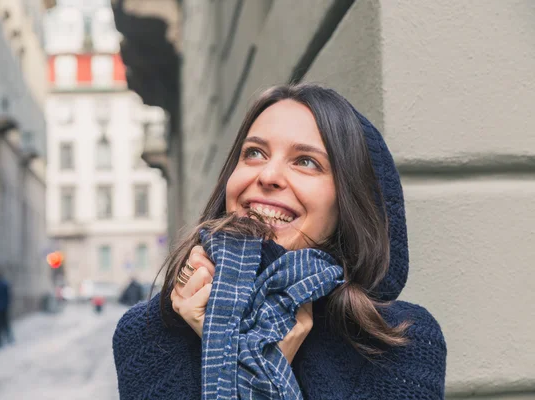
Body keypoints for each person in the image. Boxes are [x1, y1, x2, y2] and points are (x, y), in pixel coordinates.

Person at [113, 84, 447, 399]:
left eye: (306, 162)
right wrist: (230, 348)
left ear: (349, 202)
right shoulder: (149, 336)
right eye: (254, 153)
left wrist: (262, 369)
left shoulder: (402, 344)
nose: (268, 176)